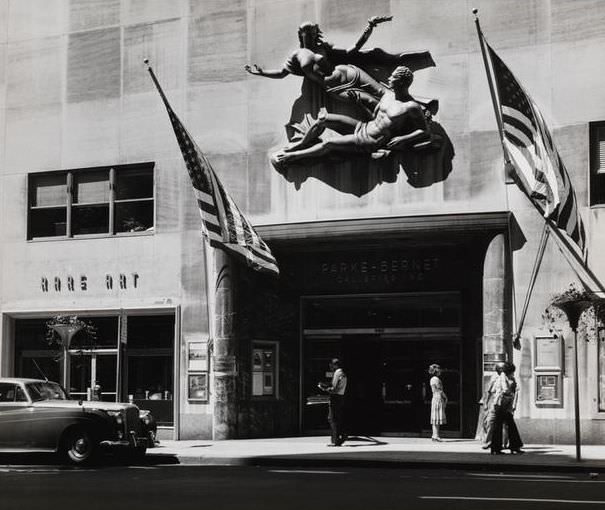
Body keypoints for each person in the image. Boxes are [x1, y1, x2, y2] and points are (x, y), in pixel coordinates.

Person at [245, 18, 435, 118]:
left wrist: (368, 30)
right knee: (372, 103)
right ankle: (407, 117)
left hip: (348, 72)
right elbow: (281, 74)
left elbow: (352, 50)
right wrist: (261, 72)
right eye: (306, 32)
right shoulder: (297, 55)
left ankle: (422, 106)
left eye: (312, 31)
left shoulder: (323, 48)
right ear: (300, 34)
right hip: (334, 88)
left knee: (383, 91)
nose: (310, 35)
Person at [273, 65, 432, 167]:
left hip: (371, 140)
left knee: (329, 143)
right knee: (323, 119)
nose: (389, 79)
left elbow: (423, 131)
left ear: (402, 83)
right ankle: (300, 143)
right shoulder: (388, 95)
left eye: (393, 78)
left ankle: (291, 157)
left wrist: (403, 139)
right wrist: (359, 104)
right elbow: (374, 117)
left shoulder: (411, 106)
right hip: (363, 127)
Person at [490, 362, 524, 455]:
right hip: (501, 404)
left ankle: (513, 446)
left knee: (509, 425)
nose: (513, 373)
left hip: (506, 404)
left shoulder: (510, 377)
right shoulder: (502, 377)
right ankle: (498, 448)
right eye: (512, 371)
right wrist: (512, 391)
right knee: (499, 425)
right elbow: (505, 390)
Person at [318, 358, 348, 446]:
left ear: (334, 365)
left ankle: (336, 439)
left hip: (335, 397)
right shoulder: (343, 373)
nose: (330, 367)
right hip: (341, 397)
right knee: (337, 418)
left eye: (331, 365)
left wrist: (323, 388)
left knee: (331, 418)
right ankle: (341, 435)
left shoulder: (337, 373)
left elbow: (333, 388)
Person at [428, 364, 447, 441]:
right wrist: (445, 397)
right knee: (437, 417)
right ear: (436, 370)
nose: (441, 371)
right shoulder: (436, 379)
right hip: (438, 398)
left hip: (435, 398)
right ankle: (436, 435)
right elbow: (440, 390)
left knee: (435, 417)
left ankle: (434, 435)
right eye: (439, 369)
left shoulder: (432, 379)